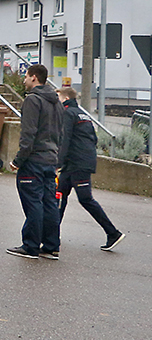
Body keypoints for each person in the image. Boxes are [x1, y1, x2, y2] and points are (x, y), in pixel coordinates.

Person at [56, 87, 126, 252]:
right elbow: (93, 138)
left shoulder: (68, 113)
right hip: (76, 162)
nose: (57, 100)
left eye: (58, 96)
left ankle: (113, 233)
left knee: (85, 199)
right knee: (59, 196)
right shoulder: (82, 114)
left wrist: (57, 162)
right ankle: (52, 233)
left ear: (65, 98)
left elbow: (65, 139)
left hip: (77, 163)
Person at [7, 64, 61, 259]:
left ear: (34, 78)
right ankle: (51, 246)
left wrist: (18, 160)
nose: (24, 80)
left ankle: (30, 246)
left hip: (34, 161)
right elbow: (59, 133)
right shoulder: (57, 102)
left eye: (26, 76)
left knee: (33, 203)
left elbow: (28, 134)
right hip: (50, 159)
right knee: (49, 203)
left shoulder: (33, 100)